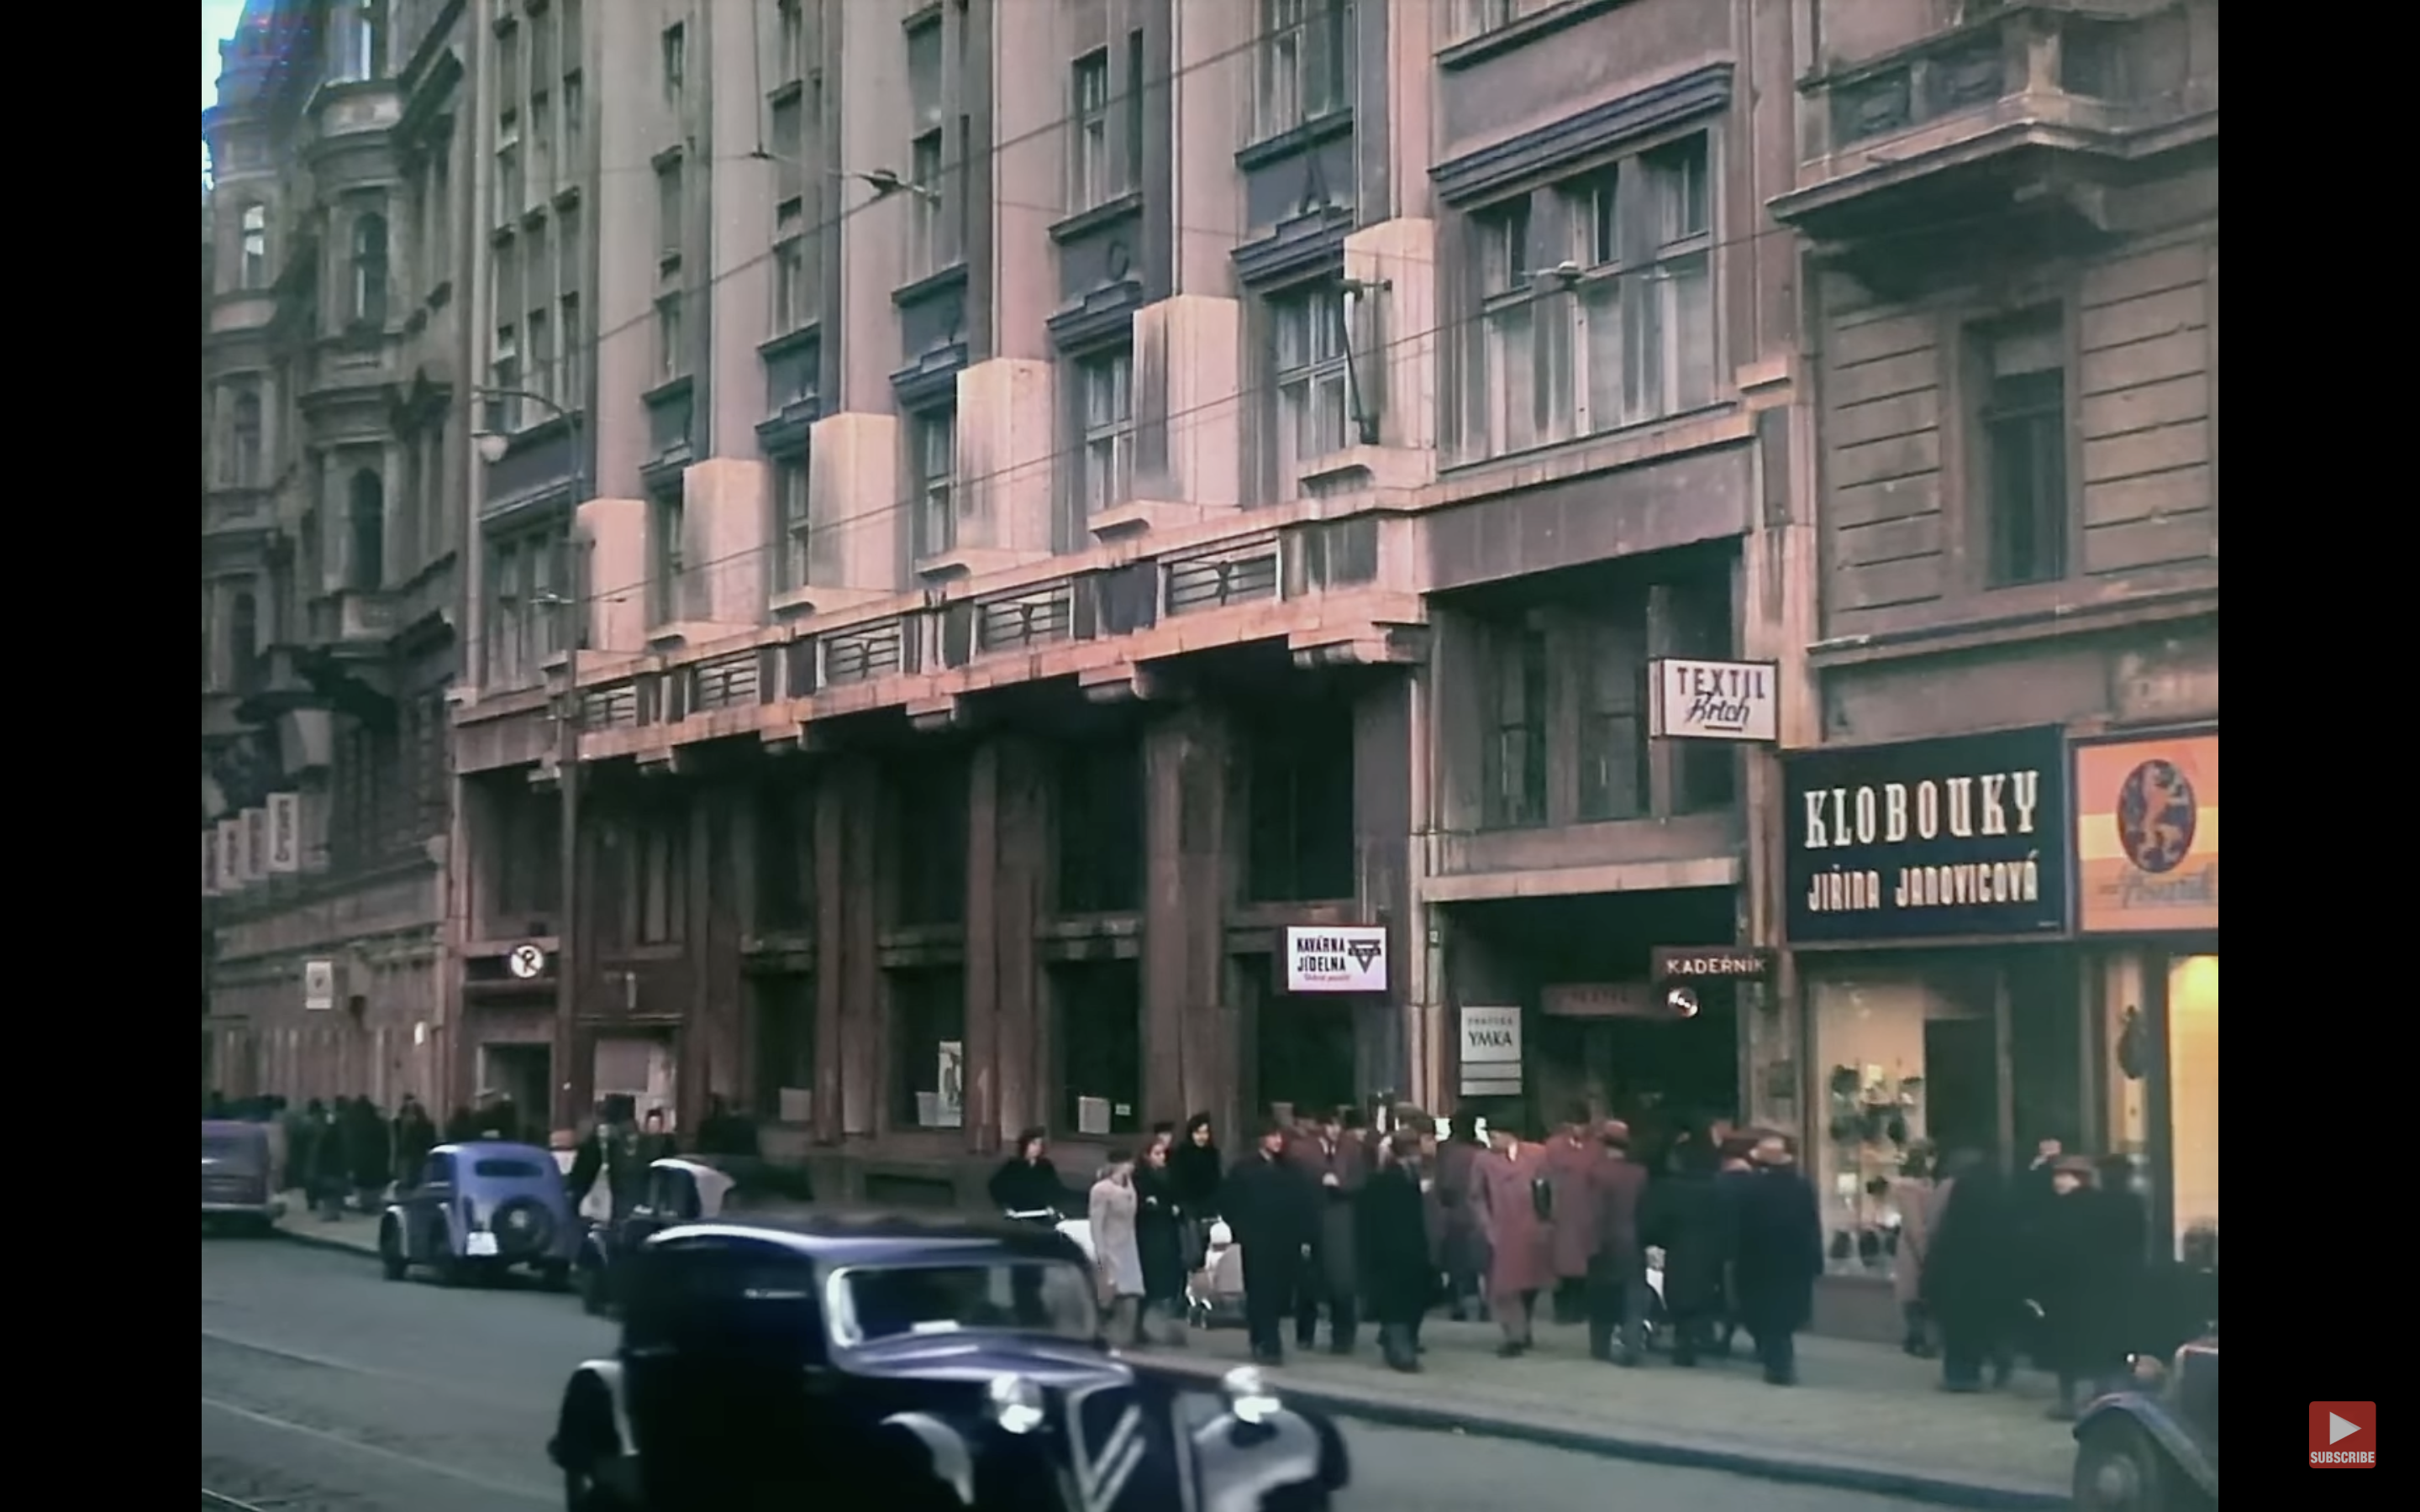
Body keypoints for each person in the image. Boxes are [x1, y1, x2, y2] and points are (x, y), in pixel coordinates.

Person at [2033, 1154, 2143, 1420]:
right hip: (2117, 1281)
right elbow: (2137, 1244)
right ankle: (2106, 1395)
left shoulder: (2081, 1202)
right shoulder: (2133, 1204)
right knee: (2112, 1340)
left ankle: (2070, 1399)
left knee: (2071, 1343)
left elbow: (2058, 1241)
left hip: (2078, 1281)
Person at [1923, 1147, 2023, 1392]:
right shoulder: (2001, 1190)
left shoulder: (1963, 1189)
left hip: (1960, 1269)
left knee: (1958, 1326)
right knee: (1987, 1322)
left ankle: (1960, 1374)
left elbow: (1948, 1228)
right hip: (1991, 1267)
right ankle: (1995, 1363)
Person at [1730, 1131, 1824, 1385]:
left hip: (1759, 1260)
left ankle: (1778, 1365)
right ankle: (1780, 1363)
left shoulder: (1752, 1187)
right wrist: (1816, 1260)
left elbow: (1741, 1226)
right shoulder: (1802, 1186)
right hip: (1794, 1261)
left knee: (1766, 1314)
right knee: (1784, 1316)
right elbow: (1812, 1225)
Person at [1224, 1120, 1318, 1366]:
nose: (1278, 1141)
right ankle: (1267, 1342)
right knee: (1259, 1291)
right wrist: (1242, 1230)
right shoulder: (1244, 1168)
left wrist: (1303, 1235)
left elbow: (1303, 1202)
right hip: (1257, 1240)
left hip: (1285, 1240)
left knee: (1278, 1293)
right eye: (1272, 1136)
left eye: (1280, 1136)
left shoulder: (1291, 1168)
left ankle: (1264, 1338)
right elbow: (1230, 1202)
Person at [1641, 1131, 1731, 1367]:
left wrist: (1657, 1241)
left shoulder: (1670, 1187)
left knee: (1679, 1293)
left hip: (1679, 1248)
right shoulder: (1718, 1187)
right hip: (1711, 1250)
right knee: (1704, 1293)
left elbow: (1653, 1221)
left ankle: (1685, 1341)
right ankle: (1702, 1334)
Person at [1286, 1106, 1370, 1355]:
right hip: (1312, 1217)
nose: (1334, 1131)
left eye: (1338, 1126)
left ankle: (1343, 1337)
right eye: (1330, 1125)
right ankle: (1305, 1333)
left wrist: (1341, 1184)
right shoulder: (1302, 1150)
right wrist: (1319, 1181)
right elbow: (1295, 1182)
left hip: (1342, 1219)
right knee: (1309, 1282)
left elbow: (1361, 1180)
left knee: (1343, 1282)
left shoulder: (1352, 1149)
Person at [1470, 1119, 1555, 1357]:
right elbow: (1476, 1195)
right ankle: (1514, 1336)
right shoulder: (1483, 1160)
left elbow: (1551, 1188)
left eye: (1495, 1134)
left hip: (1533, 1227)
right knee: (1505, 1287)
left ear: (1511, 1135)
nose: (1491, 1140)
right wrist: (1487, 1225)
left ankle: (1523, 1328)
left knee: (1529, 1284)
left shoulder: (1537, 1154)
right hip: (1502, 1228)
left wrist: (1549, 1222)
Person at [1356, 1129, 1434, 1373]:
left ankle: (1398, 1343)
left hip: (1406, 1249)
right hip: (1392, 1249)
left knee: (1406, 1300)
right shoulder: (1389, 1180)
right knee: (1397, 1302)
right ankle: (1400, 1349)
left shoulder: (1400, 1177)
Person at [1585, 1119, 1651, 1368]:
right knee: (1633, 1298)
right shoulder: (1639, 1173)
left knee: (1601, 1296)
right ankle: (1632, 1346)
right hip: (1632, 1241)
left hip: (1603, 1243)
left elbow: (1592, 1212)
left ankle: (1600, 1347)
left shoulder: (1595, 1173)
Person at [1542, 1108, 1605, 1326]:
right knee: (1560, 1263)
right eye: (1574, 1124)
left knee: (1584, 1263)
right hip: (1561, 1210)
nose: (1578, 1129)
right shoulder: (1553, 1147)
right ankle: (1562, 1310)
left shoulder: (1597, 1148)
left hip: (1587, 1211)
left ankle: (1580, 1308)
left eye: (1582, 1124)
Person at [1432, 1110, 1487, 1322]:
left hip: (1455, 1212)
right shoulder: (1480, 1151)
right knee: (1481, 1263)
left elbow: (1444, 1184)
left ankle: (1458, 1305)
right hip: (1478, 1213)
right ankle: (1485, 1305)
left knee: (1456, 1263)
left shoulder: (1447, 1151)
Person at [1133, 1139, 1190, 1343]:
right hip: (1149, 1235)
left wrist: (1174, 1207)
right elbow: (1141, 1205)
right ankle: (1139, 1326)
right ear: (1147, 1156)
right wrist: (1158, 1206)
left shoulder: (1169, 1175)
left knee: (1166, 1279)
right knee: (1149, 1280)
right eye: (1157, 1153)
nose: (1162, 1158)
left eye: (1163, 1153)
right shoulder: (1141, 1177)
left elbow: (1177, 1198)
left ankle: (1159, 1324)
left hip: (1167, 1232)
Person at [1088, 1150, 1146, 1345]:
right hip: (1110, 1245)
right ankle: (1101, 1332)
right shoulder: (1101, 1190)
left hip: (1128, 1245)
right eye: (1129, 1163)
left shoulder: (1130, 1187)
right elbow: (1096, 1222)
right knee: (1109, 1293)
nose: (1132, 1167)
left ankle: (1126, 1337)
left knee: (1131, 1292)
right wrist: (1100, 1251)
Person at [1892, 1144, 1939, 1357]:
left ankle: (1916, 1338)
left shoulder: (1926, 1184)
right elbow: (1914, 1224)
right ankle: (1917, 1338)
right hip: (1915, 1247)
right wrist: (1924, 1251)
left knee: (1919, 1294)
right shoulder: (1908, 1188)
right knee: (1914, 1293)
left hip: (1924, 1242)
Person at [1169, 1113, 1223, 1270]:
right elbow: (1177, 1181)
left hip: (1209, 1206)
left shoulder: (1212, 1154)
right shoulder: (1181, 1154)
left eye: (1205, 1132)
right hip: (1189, 1206)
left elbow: (1216, 1180)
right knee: (1192, 1250)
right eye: (1198, 1132)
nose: (1202, 1137)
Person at [987, 1127, 1069, 1217]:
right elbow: (996, 1186)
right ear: (1025, 1145)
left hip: (1041, 1210)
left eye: (1040, 1144)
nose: (1037, 1148)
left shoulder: (1045, 1165)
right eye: (1034, 1144)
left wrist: (1051, 1205)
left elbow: (1055, 1187)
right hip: (1020, 1211)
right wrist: (1006, 1207)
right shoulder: (1013, 1166)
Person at [695, 1095, 760, 1157]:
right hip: (744, 1158)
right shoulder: (747, 1124)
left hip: (719, 1158)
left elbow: (702, 1146)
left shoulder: (709, 1125)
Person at [392, 1095, 437, 1186]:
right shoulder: (425, 1124)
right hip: (415, 1154)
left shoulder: (401, 1122)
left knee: (412, 1175)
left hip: (411, 1154)